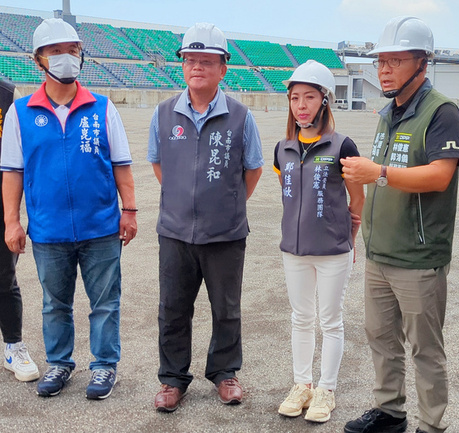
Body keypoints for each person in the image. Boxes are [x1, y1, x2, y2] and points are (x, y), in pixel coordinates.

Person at [0, 18, 137, 400]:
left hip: (101, 228)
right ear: (38, 60)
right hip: (47, 229)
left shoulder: (103, 108)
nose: (66, 58)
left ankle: (104, 367)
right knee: (54, 303)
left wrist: (130, 210)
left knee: (105, 303)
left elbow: (121, 164)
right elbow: (12, 173)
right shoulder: (21, 113)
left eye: (72, 50)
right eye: (55, 51)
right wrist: (13, 222)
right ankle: (59, 363)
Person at [341, 16, 459, 433]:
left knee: (425, 349)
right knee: (381, 338)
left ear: (422, 64)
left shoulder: (441, 112)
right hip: (380, 251)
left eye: (395, 61)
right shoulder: (388, 112)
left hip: (417, 255)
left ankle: (431, 425)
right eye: (381, 62)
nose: (385, 69)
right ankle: (389, 412)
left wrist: (377, 173)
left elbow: (439, 175)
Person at [147, 22, 264, 413]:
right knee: (173, 308)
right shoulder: (164, 114)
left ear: (222, 68)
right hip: (175, 232)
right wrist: (185, 200)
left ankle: (225, 373)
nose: (196, 66)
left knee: (226, 308)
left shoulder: (241, 116)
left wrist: (223, 203)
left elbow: (253, 170)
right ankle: (172, 379)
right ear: (182, 65)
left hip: (225, 234)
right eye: (190, 60)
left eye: (206, 61)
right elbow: (159, 164)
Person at [274, 60, 365, 423]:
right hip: (294, 251)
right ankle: (302, 385)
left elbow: (356, 197)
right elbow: (287, 193)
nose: (301, 105)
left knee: (330, 320)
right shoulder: (283, 148)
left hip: (332, 250)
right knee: (301, 317)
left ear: (324, 100)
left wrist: (349, 234)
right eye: (295, 98)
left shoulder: (343, 145)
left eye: (309, 97)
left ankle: (326, 390)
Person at [0, 79, 40, 383]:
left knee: (4, 277)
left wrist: (13, 217)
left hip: (1, 205)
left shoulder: (8, 94)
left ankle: (13, 346)